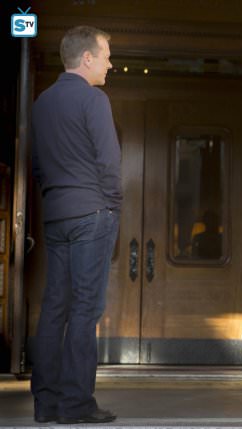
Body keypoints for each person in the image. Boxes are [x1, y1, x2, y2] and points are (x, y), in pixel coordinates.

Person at [30, 26, 121, 424]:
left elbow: (37, 165)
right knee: (85, 308)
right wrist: (112, 206)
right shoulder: (94, 99)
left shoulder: (42, 102)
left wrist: (56, 198)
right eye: (106, 56)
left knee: (55, 307)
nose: (110, 64)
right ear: (87, 58)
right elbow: (109, 161)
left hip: (56, 215)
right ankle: (76, 404)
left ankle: (46, 403)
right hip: (92, 214)